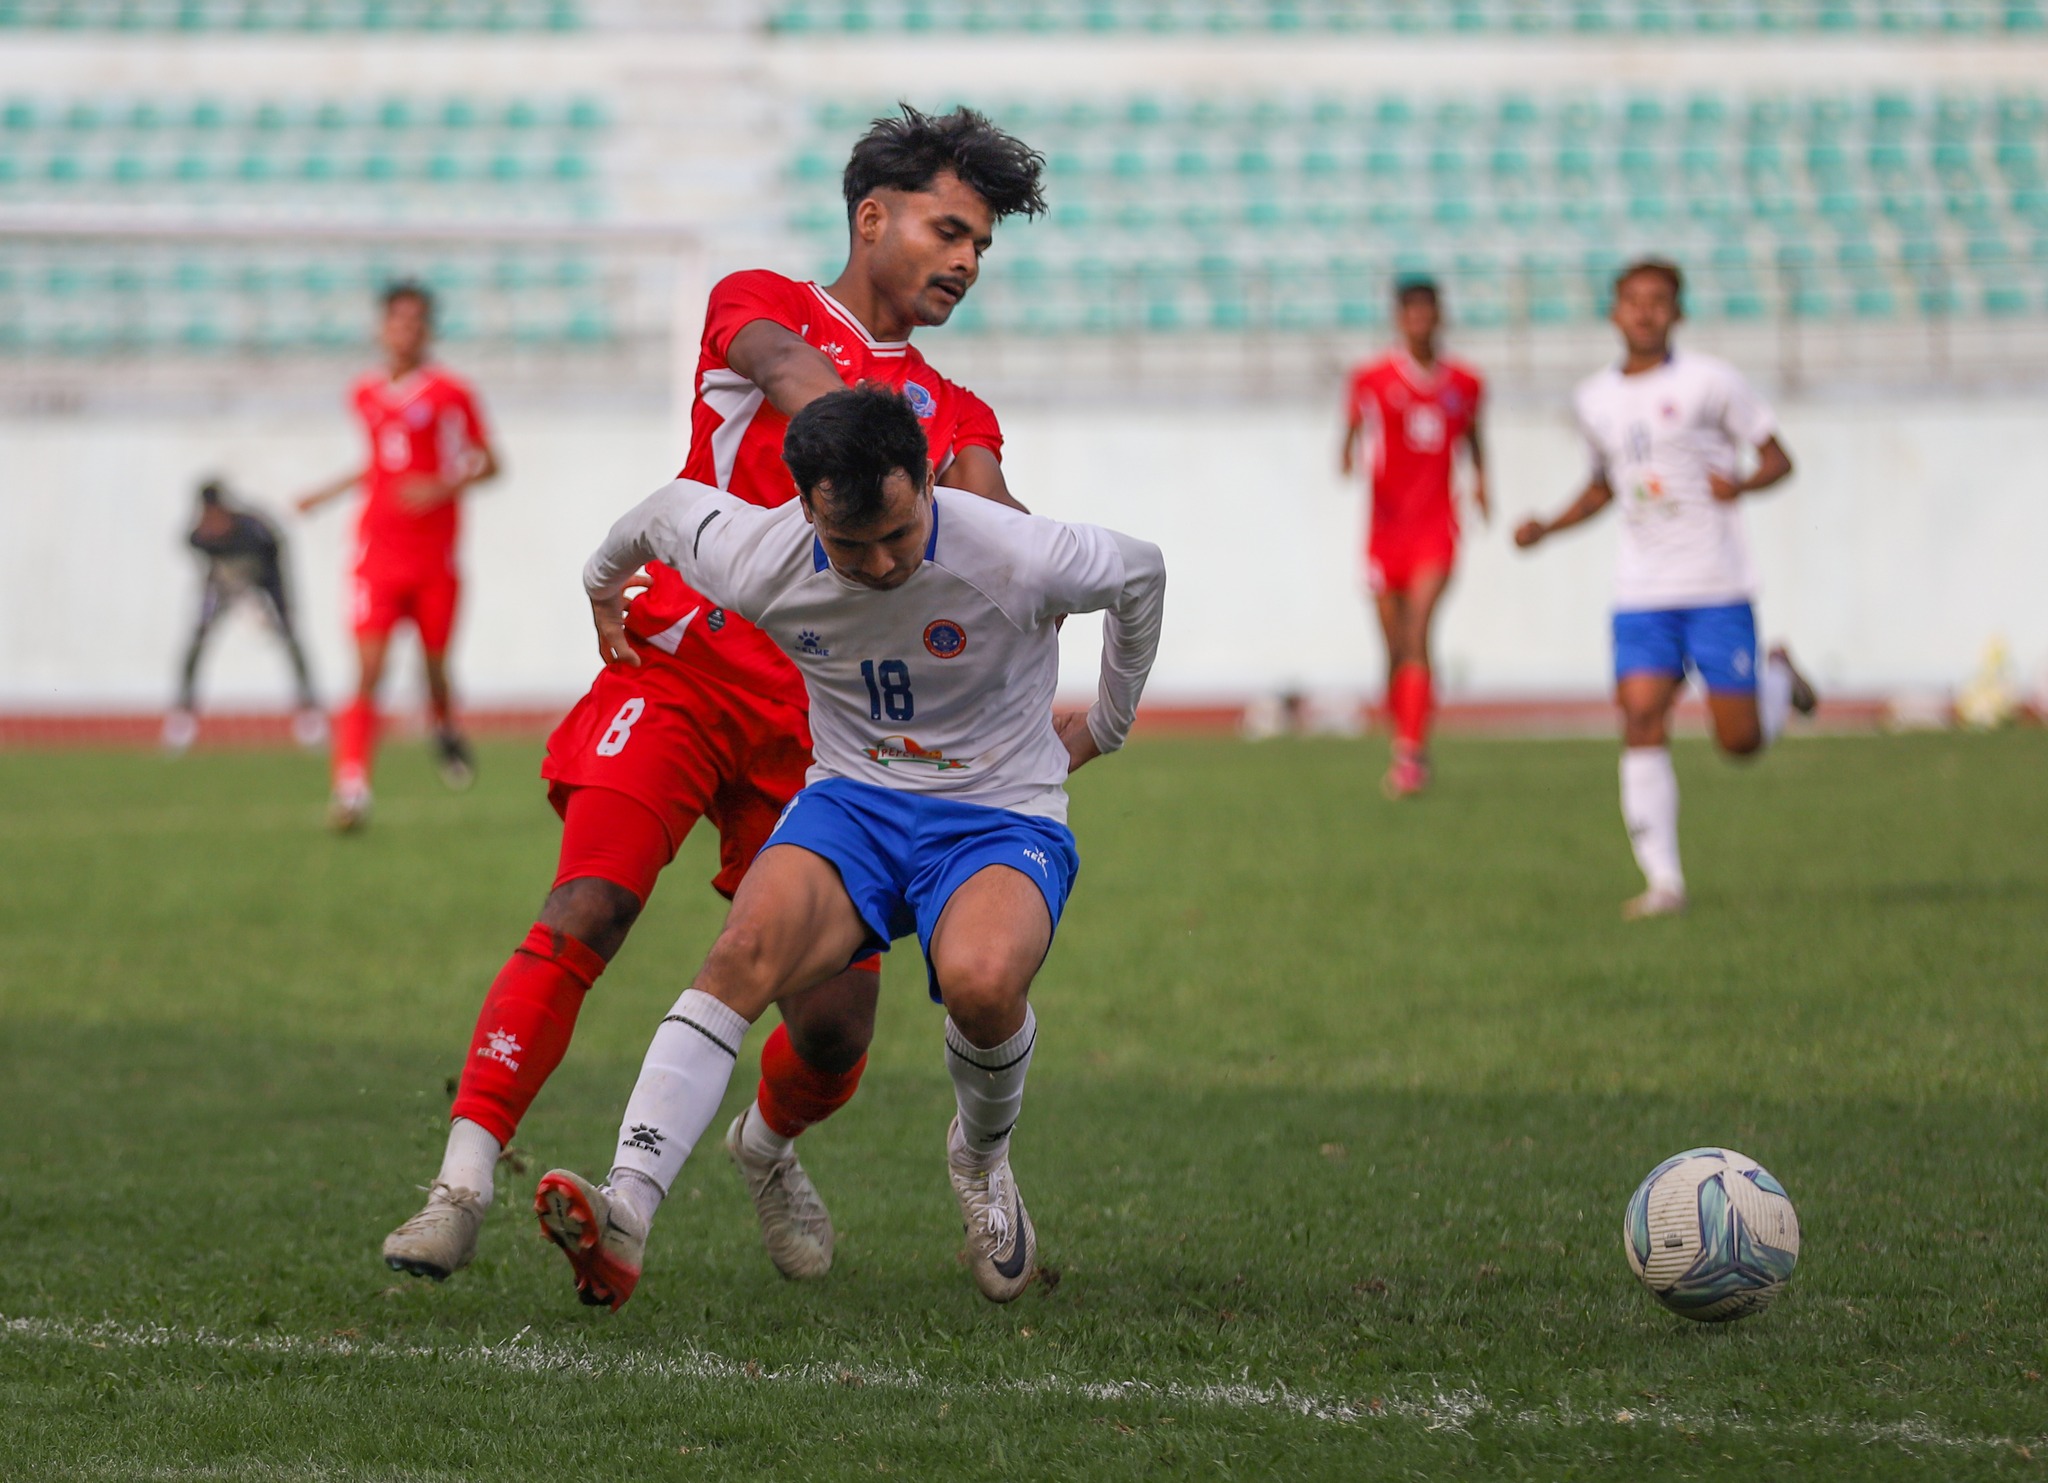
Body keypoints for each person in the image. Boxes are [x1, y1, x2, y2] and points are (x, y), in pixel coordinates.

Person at [379, 106, 1046, 1289]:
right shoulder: (762, 303)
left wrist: (1034, 580)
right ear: (871, 217)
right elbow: (798, 386)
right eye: (948, 231)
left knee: (833, 1033)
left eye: (981, 247)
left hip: (831, 732)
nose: (964, 262)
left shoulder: (959, 412)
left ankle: (765, 1144)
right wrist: (898, 463)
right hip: (684, 669)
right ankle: (459, 1186)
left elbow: (1000, 537)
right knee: (589, 903)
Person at [532, 386, 1165, 1310]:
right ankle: (625, 1208)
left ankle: (980, 1159)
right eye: (849, 544)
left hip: (996, 812)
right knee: (741, 953)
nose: (879, 564)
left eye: (899, 534)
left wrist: (1107, 724)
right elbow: (662, 514)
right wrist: (601, 589)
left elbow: (1141, 573)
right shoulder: (762, 557)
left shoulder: (1016, 553)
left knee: (985, 982)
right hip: (853, 803)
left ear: (929, 482)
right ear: (804, 508)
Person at [1514, 258, 1816, 919]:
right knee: (1641, 714)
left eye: (1658, 301)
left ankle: (1775, 678)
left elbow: (1778, 458)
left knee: (1738, 743)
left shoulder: (1711, 382)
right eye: (1633, 300)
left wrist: (1743, 484)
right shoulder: (1593, 398)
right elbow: (1603, 485)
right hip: (1642, 592)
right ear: (1613, 312)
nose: (1645, 312)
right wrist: (1548, 527)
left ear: (1678, 312)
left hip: (1716, 585)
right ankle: (1664, 882)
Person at [296, 281, 499, 832]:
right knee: (369, 671)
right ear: (382, 328)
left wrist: (440, 486)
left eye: (415, 321)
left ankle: (444, 727)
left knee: (434, 668)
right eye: (397, 320)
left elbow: (490, 463)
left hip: (434, 559)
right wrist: (327, 493)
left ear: (427, 330)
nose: (405, 330)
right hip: (377, 554)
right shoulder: (363, 392)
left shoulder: (451, 392)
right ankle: (351, 788)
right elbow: (381, 463)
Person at [1340, 276, 1487, 798]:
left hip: (1436, 526)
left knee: (1419, 629)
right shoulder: (1372, 378)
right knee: (1394, 645)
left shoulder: (1465, 382)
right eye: (1411, 312)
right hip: (1385, 531)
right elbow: (1353, 428)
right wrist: (1346, 453)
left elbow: (1473, 435)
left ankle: (1411, 753)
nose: (1420, 321)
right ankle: (1402, 734)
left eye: (1428, 311)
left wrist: (1483, 481)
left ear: (1439, 316)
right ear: (1400, 319)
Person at [163, 478, 323, 753]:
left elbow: (275, 558)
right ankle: (183, 715)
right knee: (198, 640)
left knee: (289, 637)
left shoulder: (254, 531)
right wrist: (234, 595)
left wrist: (264, 604)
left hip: (263, 583)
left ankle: (309, 713)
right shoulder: (199, 536)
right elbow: (203, 558)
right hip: (225, 586)